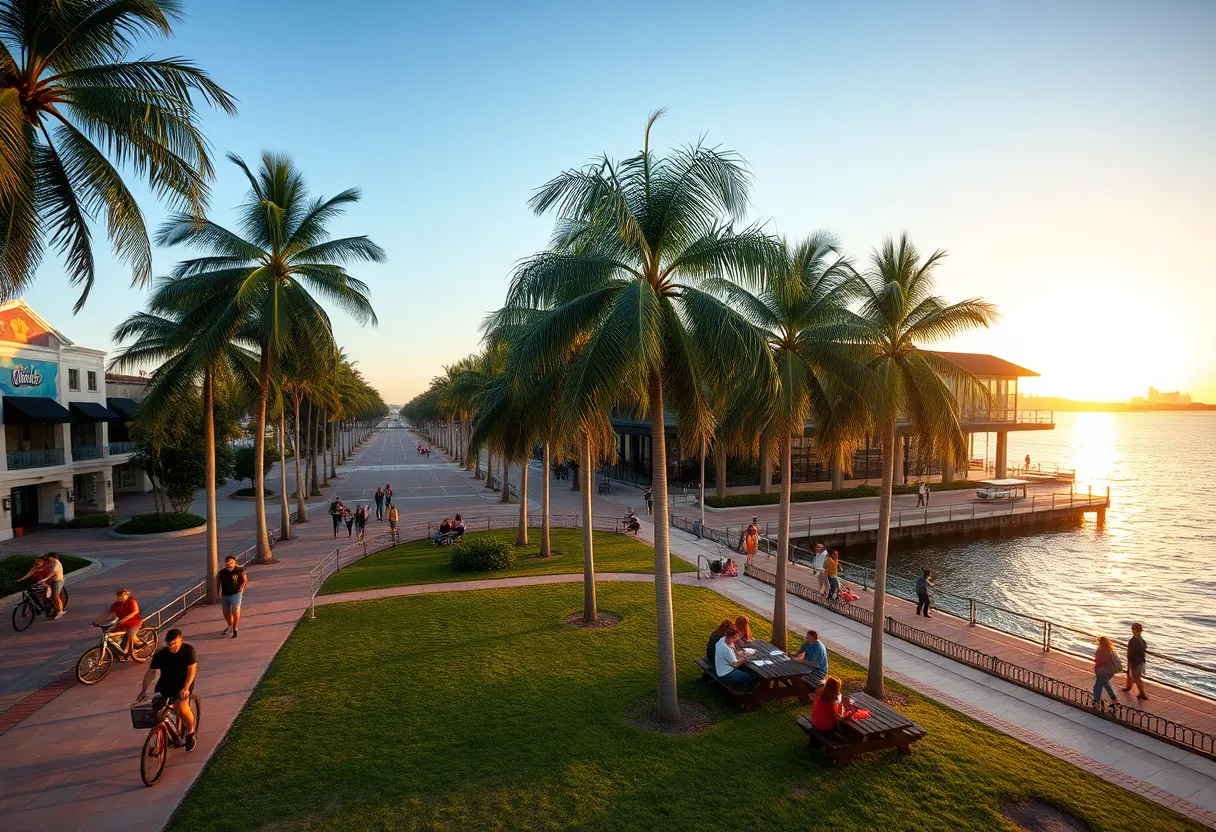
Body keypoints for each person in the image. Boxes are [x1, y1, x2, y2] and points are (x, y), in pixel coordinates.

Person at [137, 629, 198, 751]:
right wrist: (143, 691)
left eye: (175, 643)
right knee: (157, 710)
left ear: (181, 640)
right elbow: (151, 673)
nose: (172, 646)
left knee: (181, 708)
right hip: (164, 685)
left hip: (183, 684)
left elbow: (192, 670)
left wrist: (186, 688)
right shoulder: (161, 654)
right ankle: (159, 737)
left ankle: (191, 731)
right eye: (169, 644)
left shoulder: (188, 650)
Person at [94, 588, 142, 655]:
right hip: (121, 624)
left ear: (127, 596)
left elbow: (135, 611)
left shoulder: (132, 602)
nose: (120, 597)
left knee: (129, 634)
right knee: (109, 634)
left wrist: (124, 619)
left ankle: (127, 651)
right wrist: (97, 622)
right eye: (119, 596)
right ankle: (115, 650)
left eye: (123, 595)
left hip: (134, 623)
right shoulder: (115, 605)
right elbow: (107, 613)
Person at [217, 555, 247, 638]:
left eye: (231, 561)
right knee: (226, 612)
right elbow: (218, 583)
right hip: (225, 595)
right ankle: (230, 625)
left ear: (234, 562)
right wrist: (218, 593)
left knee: (235, 610)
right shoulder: (221, 572)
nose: (229, 563)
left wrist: (241, 587)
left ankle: (235, 629)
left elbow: (244, 580)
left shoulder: (239, 570)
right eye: (227, 562)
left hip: (236, 594)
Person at [1093, 636, 1122, 709]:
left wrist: (1097, 667)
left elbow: (1099, 661)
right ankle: (1115, 700)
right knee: (1106, 683)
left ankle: (1096, 702)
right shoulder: (1111, 650)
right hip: (1111, 671)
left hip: (1102, 671)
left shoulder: (1101, 650)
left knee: (1097, 686)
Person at [1122, 623, 1149, 701]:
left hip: (1135, 662)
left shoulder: (1133, 640)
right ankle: (1128, 687)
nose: (1133, 631)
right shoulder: (1142, 640)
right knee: (1132, 675)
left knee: (1136, 678)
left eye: (1133, 629)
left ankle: (1142, 694)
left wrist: (1130, 663)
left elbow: (1131, 653)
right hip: (1141, 661)